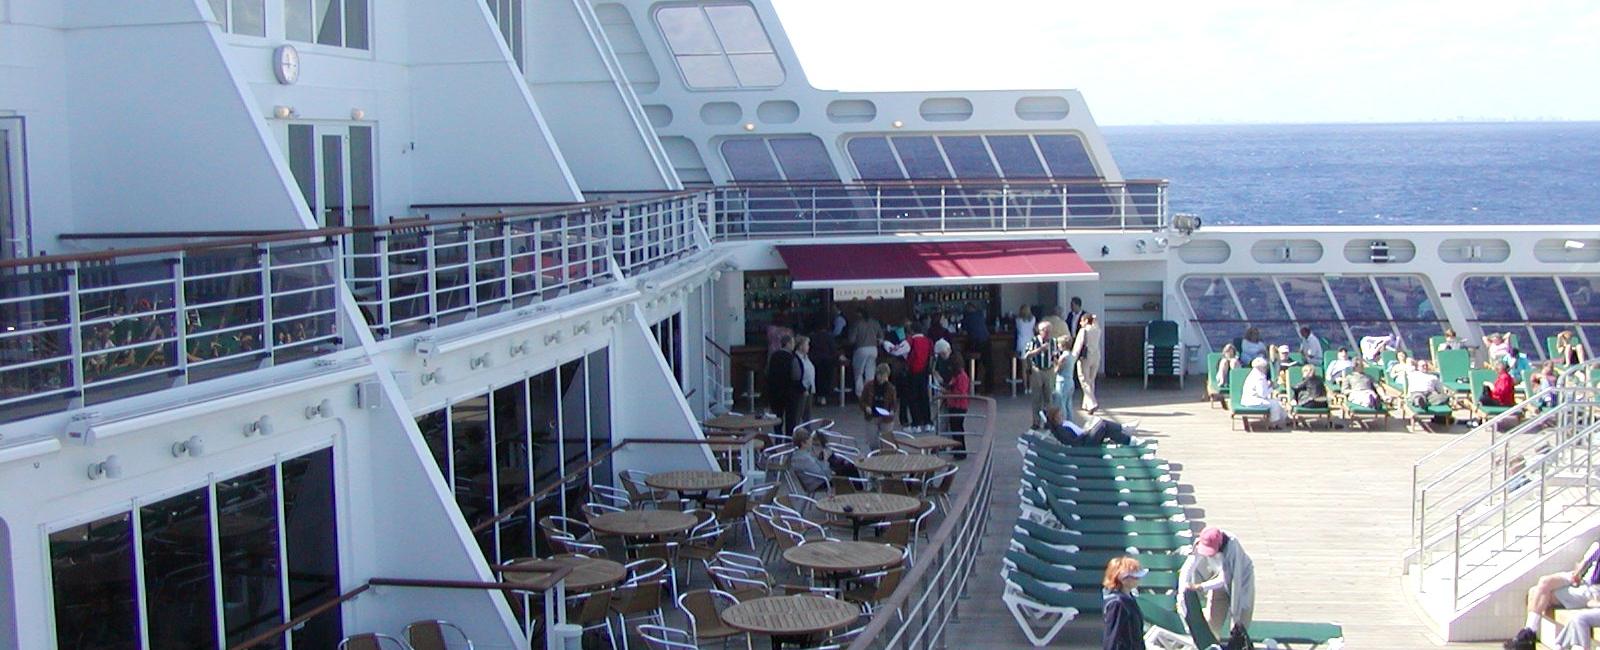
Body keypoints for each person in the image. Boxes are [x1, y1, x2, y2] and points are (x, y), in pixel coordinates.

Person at [1179, 527, 1257, 642]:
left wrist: (1200, 586)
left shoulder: (1232, 548)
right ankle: (1212, 644)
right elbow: (1189, 565)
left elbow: (1225, 579)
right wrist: (1182, 591)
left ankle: (1236, 644)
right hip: (1219, 576)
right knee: (1212, 622)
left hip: (1242, 580)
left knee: (1239, 623)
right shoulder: (1201, 541)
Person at [1519, 538, 1600, 643]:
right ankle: (1529, 632)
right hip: (1581, 580)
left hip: (1592, 590)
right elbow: (1581, 565)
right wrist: (1577, 573)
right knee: (1543, 583)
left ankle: (1527, 637)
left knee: (1537, 593)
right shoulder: (1596, 545)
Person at [1101, 557, 1149, 650]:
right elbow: (1112, 638)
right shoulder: (1117, 603)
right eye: (1134, 576)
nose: (1138, 579)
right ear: (1122, 578)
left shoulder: (1129, 598)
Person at [1023, 321, 1061, 428]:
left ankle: (1048, 421)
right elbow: (1027, 354)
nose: (1048, 333)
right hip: (1037, 371)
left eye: (1050, 331)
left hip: (1049, 370)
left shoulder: (1053, 341)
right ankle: (1036, 422)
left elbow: (1056, 355)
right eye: (1046, 331)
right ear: (1040, 331)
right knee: (1036, 398)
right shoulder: (1034, 341)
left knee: (1048, 398)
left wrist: (1057, 366)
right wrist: (1040, 350)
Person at [1045, 405, 1139, 447]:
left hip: (1085, 437)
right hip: (1085, 442)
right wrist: (1087, 432)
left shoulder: (1063, 424)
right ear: (1054, 419)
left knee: (1106, 428)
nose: (1062, 417)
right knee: (1103, 425)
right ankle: (1124, 429)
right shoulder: (1061, 430)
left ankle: (1128, 440)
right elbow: (1073, 441)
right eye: (1059, 416)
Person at [765, 335, 804, 438]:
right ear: (788, 344)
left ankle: (778, 438)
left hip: (775, 392)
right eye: (792, 343)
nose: (793, 345)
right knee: (790, 419)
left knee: (777, 418)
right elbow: (796, 376)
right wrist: (802, 389)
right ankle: (788, 439)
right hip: (790, 393)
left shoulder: (773, 356)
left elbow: (768, 373)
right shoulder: (792, 358)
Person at [1241, 357, 1288, 429]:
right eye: (1264, 367)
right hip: (1254, 401)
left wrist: (1268, 385)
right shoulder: (1260, 377)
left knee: (1277, 402)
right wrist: (1272, 388)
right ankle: (1273, 424)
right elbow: (1262, 394)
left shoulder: (1252, 374)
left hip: (1247, 400)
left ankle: (1283, 421)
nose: (1266, 368)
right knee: (1275, 404)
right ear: (1260, 367)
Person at [904, 321, 935, 431]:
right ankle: (927, 421)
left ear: (912, 330)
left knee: (913, 397)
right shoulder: (928, 341)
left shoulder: (911, 341)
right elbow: (931, 356)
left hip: (912, 371)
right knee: (924, 396)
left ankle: (916, 423)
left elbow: (904, 353)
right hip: (924, 371)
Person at [847, 310, 882, 398]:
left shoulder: (857, 324)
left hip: (861, 349)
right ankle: (870, 393)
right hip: (874, 349)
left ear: (860, 315)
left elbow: (851, 340)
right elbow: (881, 336)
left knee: (858, 372)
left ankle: (860, 394)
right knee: (870, 373)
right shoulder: (875, 323)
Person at [860, 363, 899, 438]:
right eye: (880, 375)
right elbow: (862, 401)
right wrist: (866, 407)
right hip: (872, 417)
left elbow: (894, 403)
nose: (882, 378)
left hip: (886, 418)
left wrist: (892, 410)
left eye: (884, 376)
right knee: (872, 440)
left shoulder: (891, 388)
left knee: (886, 440)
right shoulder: (868, 386)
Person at [1074, 312, 1102, 415]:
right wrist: (1093, 318)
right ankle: (1086, 404)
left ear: (1085, 321)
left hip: (1085, 357)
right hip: (1096, 356)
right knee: (1091, 380)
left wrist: (1073, 358)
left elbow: (1078, 345)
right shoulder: (1097, 329)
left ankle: (1092, 403)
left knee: (1084, 381)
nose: (1080, 323)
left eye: (1082, 321)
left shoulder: (1083, 331)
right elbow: (1096, 323)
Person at [789, 429, 831, 493]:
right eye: (810, 441)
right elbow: (823, 474)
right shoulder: (805, 458)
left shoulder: (798, 454)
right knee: (844, 479)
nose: (811, 443)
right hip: (817, 483)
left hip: (813, 481)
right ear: (803, 443)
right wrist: (826, 460)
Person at [808, 320, 839, 405]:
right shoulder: (829, 336)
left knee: (817, 379)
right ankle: (824, 398)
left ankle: (817, 397)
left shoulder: (812, 336)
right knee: (826, 380)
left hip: (815, 360)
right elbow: (834, 349)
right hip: (827, 361)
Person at [943, 350, 970, 448]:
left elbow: (961, 392)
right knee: (955, 428)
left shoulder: (961, 376)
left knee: (957, 428)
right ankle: (957, 448)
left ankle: (960, 449)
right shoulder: (957, 376)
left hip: (959, 405)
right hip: (954, 404)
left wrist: (948, 392)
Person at [961, 301, 990, 388]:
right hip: (986, 341)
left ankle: (970, 387)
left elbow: (964, 332)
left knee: (971, 364)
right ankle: (989, 389)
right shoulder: (980, 314)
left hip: (975, 342)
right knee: (988, 366)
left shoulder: (967, 318)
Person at [795, 335, 817, 422]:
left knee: (807, 414)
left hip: (810, 388)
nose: (808, 347)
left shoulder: (807, 358)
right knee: (798, 413)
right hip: (801, 389)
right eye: (806, 345)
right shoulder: (797, 358)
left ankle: (807, 430)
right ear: (800, 346)